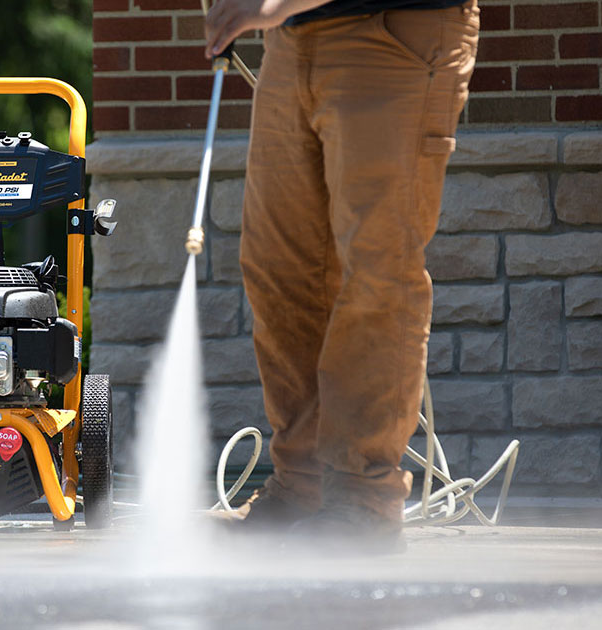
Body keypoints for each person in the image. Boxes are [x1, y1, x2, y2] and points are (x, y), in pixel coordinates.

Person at [204, 0, 480, 549]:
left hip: (392, 32)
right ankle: (300, 488)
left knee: (378, 272)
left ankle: (363, 500)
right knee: (279, 270)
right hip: (290, 39)